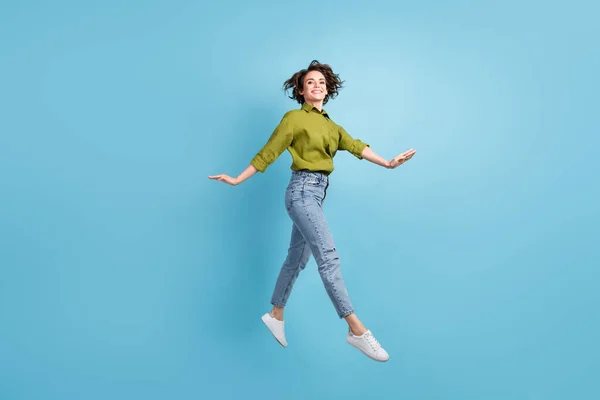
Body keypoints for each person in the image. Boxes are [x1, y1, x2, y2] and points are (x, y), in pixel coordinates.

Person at [209, 60, 416, 362]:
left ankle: (276, 314)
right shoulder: (294, 119)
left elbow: (356, 146)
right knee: (328, 258)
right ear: (302, 92)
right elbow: (270, 150)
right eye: (310, 83)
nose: (316, 85)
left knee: (297, 258)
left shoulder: (332, 126)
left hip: (317, 195)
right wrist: (238, 178)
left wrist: (387, 162)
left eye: (321, 82)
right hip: (302, 191)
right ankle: (356, 329)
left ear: (327, 89)